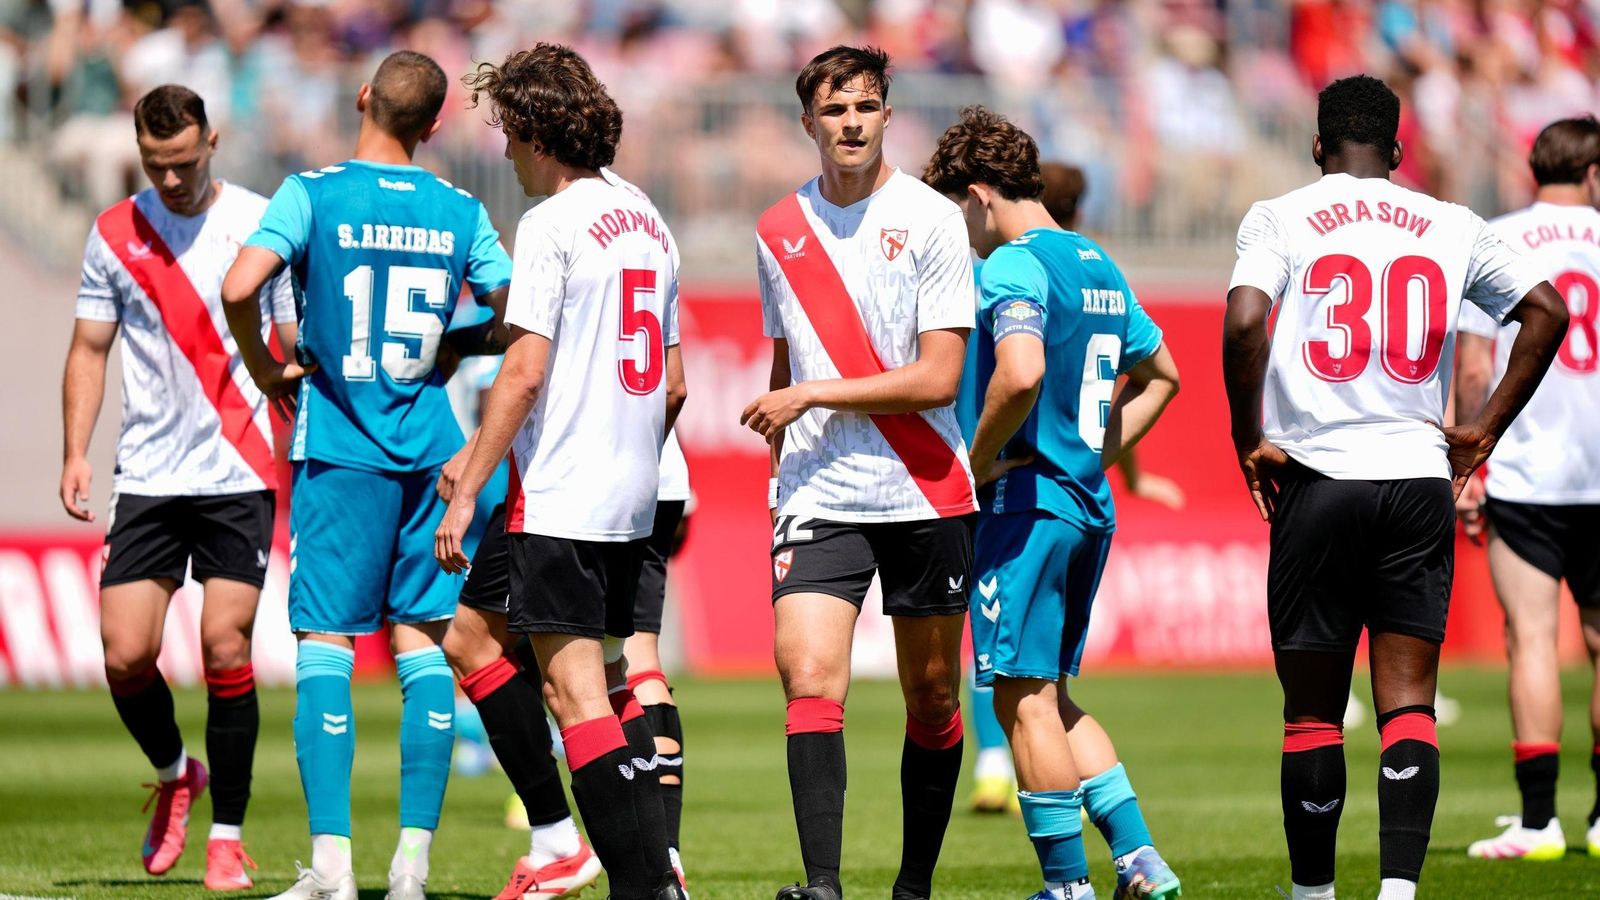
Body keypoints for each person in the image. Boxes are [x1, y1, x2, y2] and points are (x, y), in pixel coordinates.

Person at [1222, 74, 1569, 900]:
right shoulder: (1452, 222)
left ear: (1317, 147)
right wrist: (1483, 428)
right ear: (1399, 150)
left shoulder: (1280, 215)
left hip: (1318, 473)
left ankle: (1313, 894)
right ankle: (1399, 892)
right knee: (1409, 701)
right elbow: (1546, 311)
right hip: (1417, 477)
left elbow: (1242, 322)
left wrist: (1247, 438)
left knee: (1311, 710)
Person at [221, 50, 513, 900]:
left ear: (362, 99)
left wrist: (268, 364)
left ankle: (333, 869)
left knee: (327, 647)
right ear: (432, 128)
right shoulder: (460, 210)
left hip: (340, 447)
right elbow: (514, 308)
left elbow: (242, 285)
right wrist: (458, 343)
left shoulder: (310, 192)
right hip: (430, 447)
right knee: (424, 647)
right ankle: (412, 870)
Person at [432, 43, 688, 900]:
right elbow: (676, 384)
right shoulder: (647, 215)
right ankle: (591, 850)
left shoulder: (548, 225)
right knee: (480, 643)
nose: (503, 150)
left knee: (576, 695)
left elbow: (524, 369)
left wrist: (467, 488)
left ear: (539, 136)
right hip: (627, 492)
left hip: (562, 497)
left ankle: (641, 884)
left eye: (508, 133)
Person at [925, 106, 1184, 900]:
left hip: (1026, 510)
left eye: (956, 215)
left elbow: (1022, 372)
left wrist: (970, 466)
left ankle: (1066, 886)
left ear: (978, 197)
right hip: (1085, 505)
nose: (960, 234)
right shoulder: (1097, 261)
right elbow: (1165, 375)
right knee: (1054, 698)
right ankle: (1141, 861)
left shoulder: (1011, 265)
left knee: (1019, 700)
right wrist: (1096, 455)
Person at [741, 45, 977, 900]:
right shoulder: (776, 229)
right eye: (835, 111)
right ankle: (824, 884)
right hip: (816, 491)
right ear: (809, 122)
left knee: (933, 696)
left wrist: (813, 393)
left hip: (923, 488)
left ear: (887, 115)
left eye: (866, 108)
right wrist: (781, 460)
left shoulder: (933, 220)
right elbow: (784, 362)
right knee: (807, 677)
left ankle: (913, 886)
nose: (851, 123)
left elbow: (940, 377)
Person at [61, 83, 295, 893]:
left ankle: (227, 837)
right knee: (125, 654)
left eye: (183, 163)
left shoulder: (262, 222)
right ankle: (174, 772)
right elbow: (90, 348)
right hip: (150, 472)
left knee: (225, 647)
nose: (170, 180)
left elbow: (291, 334)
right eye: (155, 165)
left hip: (238, 466)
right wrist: (75, 452)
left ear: (213, 143)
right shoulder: (114, 232)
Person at [1458, 115, 1600, 862]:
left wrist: (1466, 460)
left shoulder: (1500, 237)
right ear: (1594, 173)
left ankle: (1541, 823)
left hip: (1527, 471)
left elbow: (1477, 366)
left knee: (1534, 640)